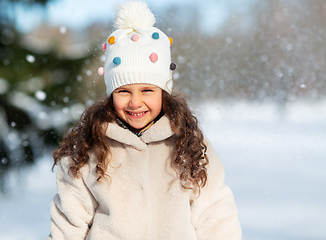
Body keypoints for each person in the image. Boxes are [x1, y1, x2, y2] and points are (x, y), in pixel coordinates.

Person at [47, 1, 241, 239]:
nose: (135, 102)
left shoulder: (190, 146)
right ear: (110, 95)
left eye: (147, 90)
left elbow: (215, 217)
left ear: (163, 92)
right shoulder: (89, 148)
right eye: (124, 91)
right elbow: (69, 221)